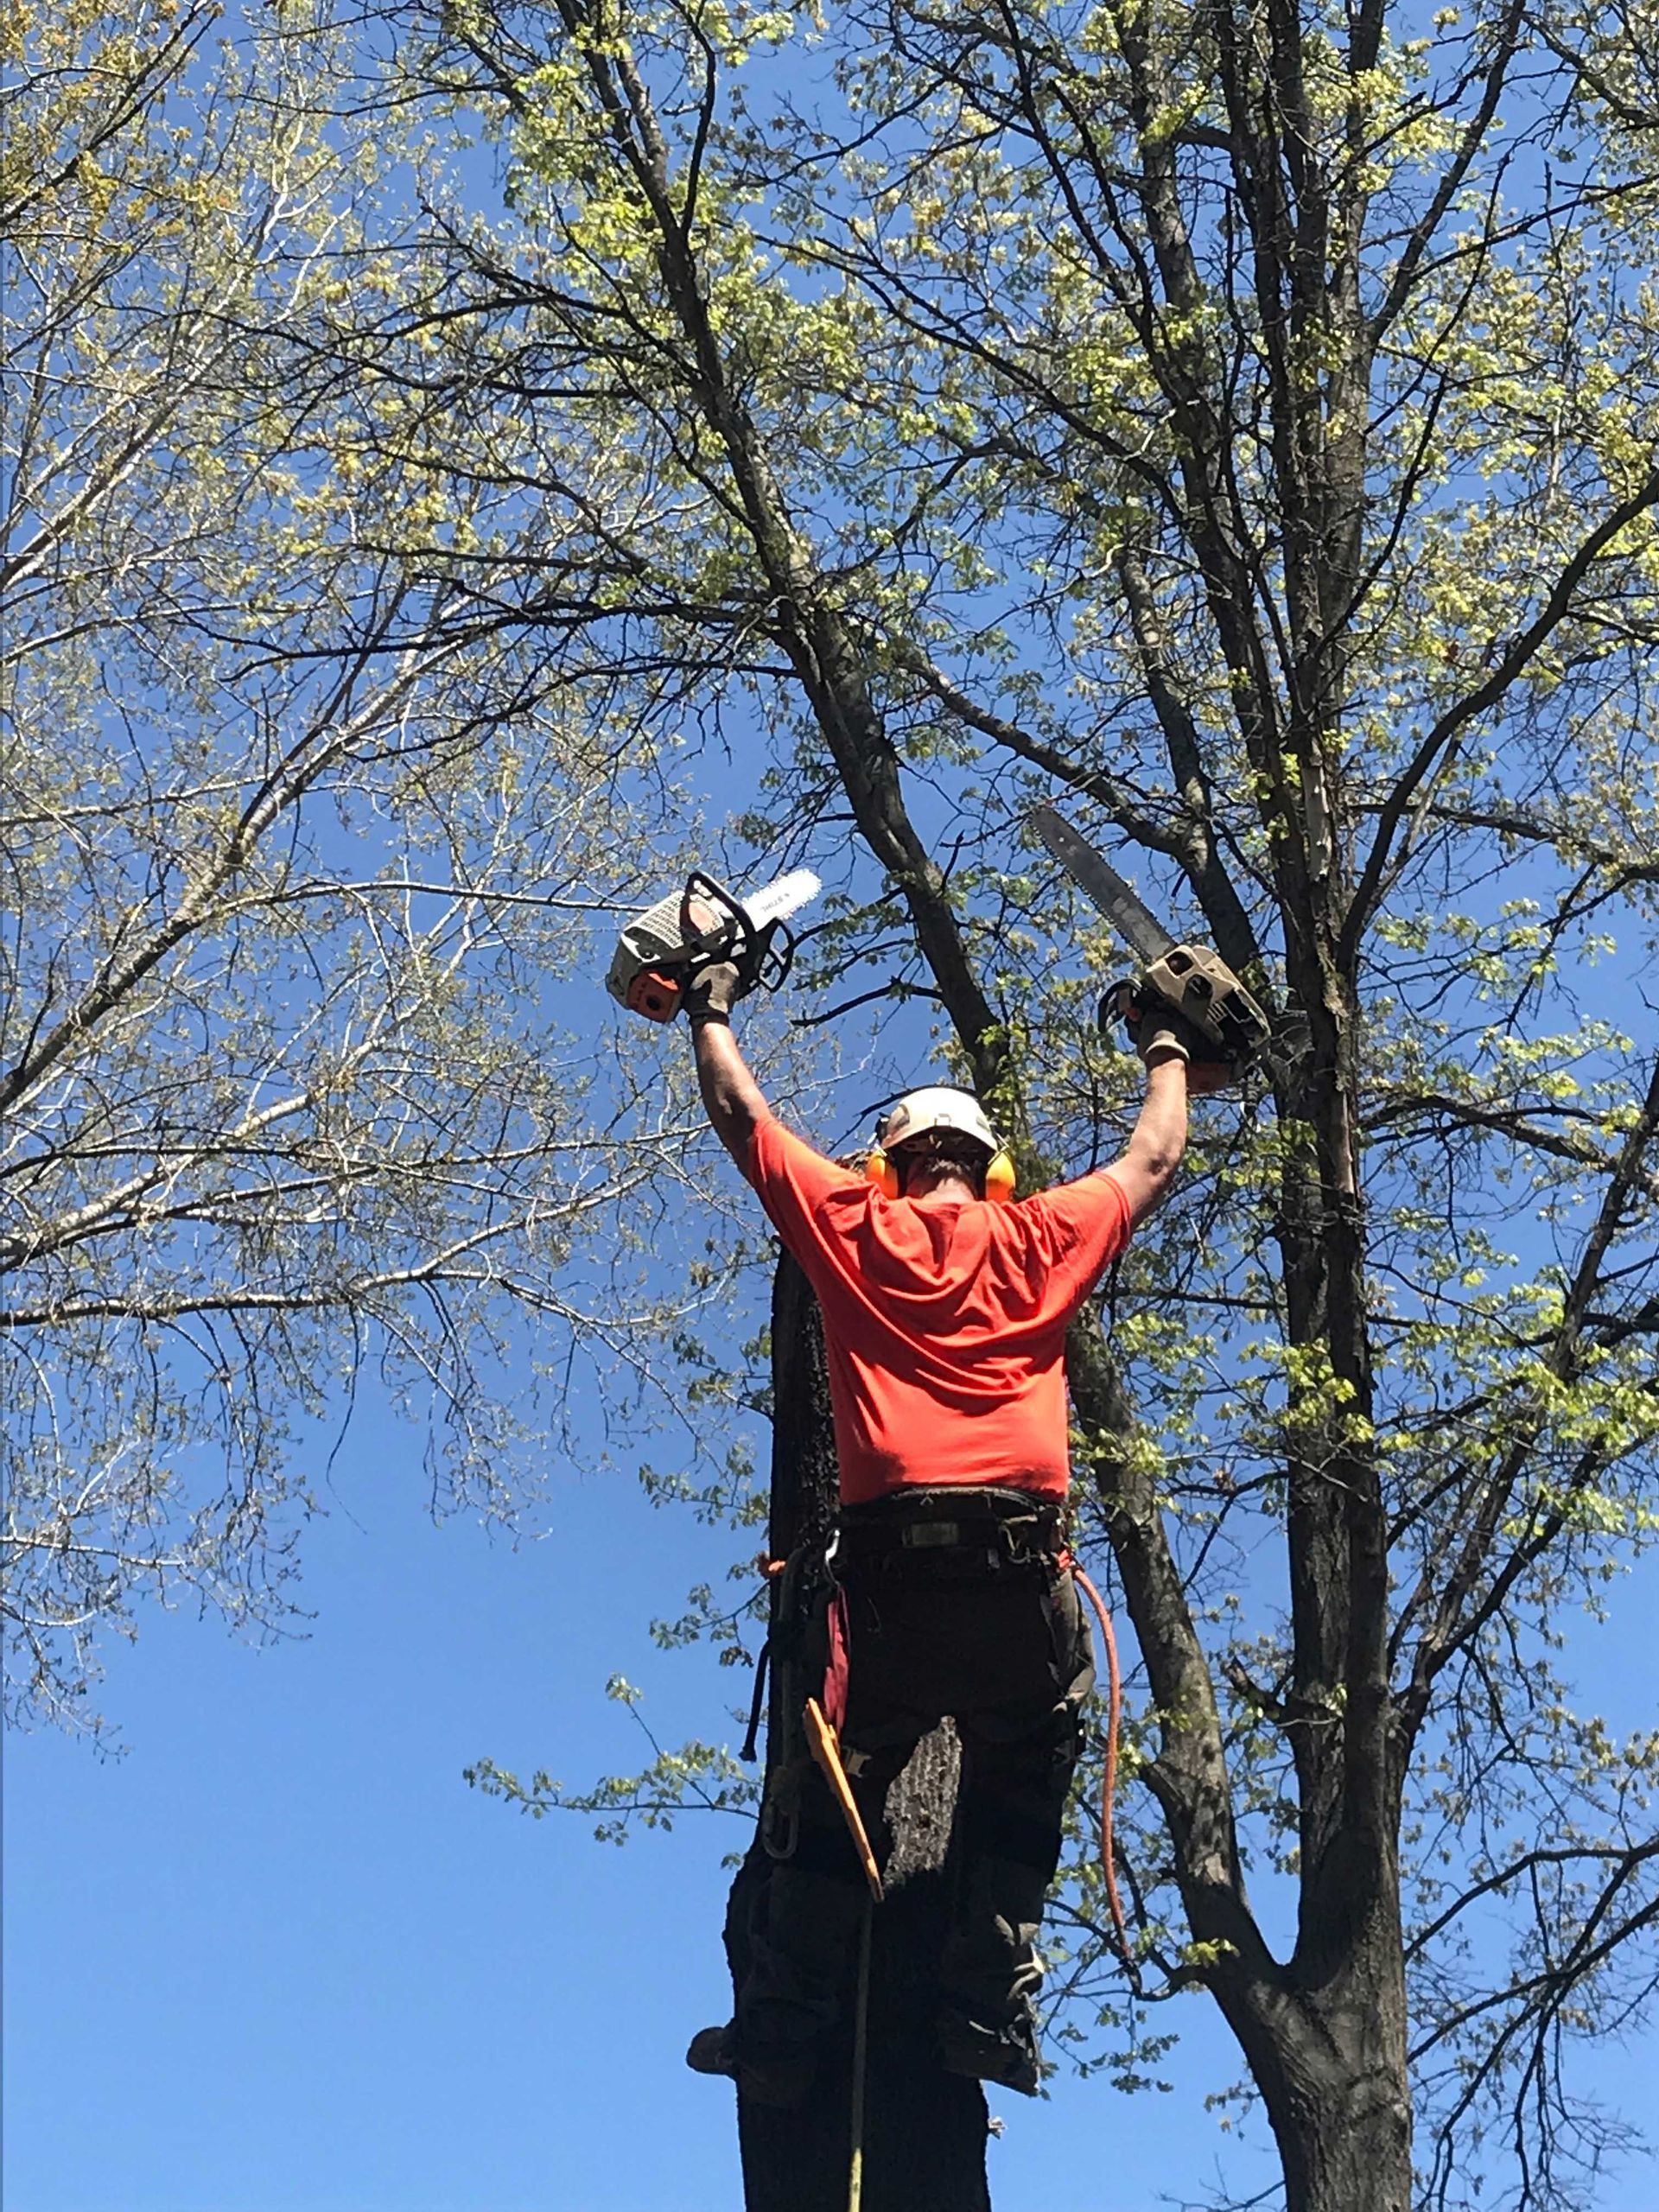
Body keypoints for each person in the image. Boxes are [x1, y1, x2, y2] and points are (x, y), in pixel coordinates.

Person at [683, 957, 1224, 2106]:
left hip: (888, 1598)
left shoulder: (850, 1227)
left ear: (888, 1166)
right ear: (993, 1172)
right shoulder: (1041, 1237)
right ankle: (987, 2007)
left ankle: (783, 2025)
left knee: (841, 1792)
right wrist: (1169, 1050)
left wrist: (711, 1005)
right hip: (1018, 1586)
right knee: (1027, 1762)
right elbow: (1155, 1155)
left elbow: (741, 1112)